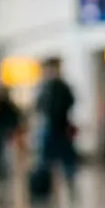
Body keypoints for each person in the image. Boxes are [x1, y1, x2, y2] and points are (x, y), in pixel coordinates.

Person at [32, 57, 78, 190]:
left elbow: (69, 103)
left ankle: (69, 182)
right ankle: (44, 185)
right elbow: (39, 106)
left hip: (61, 127)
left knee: (67, 159)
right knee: (45, 159)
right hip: (49, 127)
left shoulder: (62, 87)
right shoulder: (45, 88)